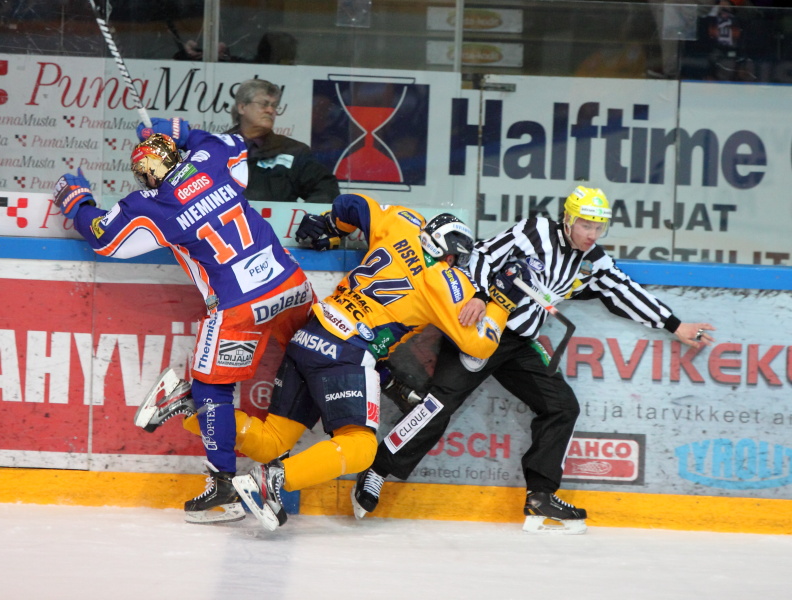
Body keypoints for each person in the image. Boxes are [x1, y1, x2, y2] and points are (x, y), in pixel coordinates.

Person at [352, 185, 717, 535]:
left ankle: (540, 496)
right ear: (569, 220)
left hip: (519, 343)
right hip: (479, 330)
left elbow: (621, 289)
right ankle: (377, 470)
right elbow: (481, 254)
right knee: (439, 405)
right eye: (586, 225)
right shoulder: (536, 230)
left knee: (561, 406)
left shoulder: (593, 258)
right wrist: (477, 295)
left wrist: (676, 325)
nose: (592, 233)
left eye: (598, 226)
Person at [52, 116, 316, 524]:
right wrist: (182, 131)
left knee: (211, 385)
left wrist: (78, 203)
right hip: (290, 283)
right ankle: (361, 411)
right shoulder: (211, 159)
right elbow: (234, 143)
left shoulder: (153, 204)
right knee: (315, 356)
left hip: (239, 304)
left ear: (146, 175)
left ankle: (223, 486)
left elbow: (106, 238)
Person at [228, 193, 515, 531]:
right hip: (348, 350)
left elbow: (351, 204)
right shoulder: (444, 279)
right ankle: (272, 478)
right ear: (450, 254)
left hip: (309, 334)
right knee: (361, 447)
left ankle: (193, 403)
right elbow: (479, 345)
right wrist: (500, 301)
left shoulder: (403, 223)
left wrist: (335, 226)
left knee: (272, 440)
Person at [227, 78, 340, 204]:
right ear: (242, 107)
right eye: (264, 104)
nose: (270, 111)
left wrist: (301, 218)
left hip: (274, 223)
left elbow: (326, 189)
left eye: (274, 106)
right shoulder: (215, 148)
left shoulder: (293, 151)